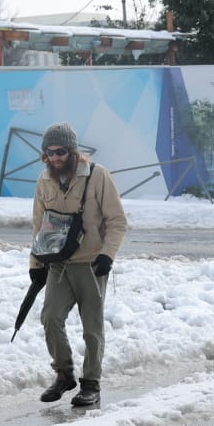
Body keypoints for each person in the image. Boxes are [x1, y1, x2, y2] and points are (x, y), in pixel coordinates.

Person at [31, 122, 127, 407]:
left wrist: (107, 256)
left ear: (73, 151)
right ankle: (63, 375)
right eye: (49, 152)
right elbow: (39, 225)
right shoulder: (44, 180)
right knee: (50, 317)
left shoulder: (98, 176)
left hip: (90, 264)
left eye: (61, 151)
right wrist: (35, 263)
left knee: (92, 327)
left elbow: (117, 221)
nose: (55, 157)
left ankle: (91, 384)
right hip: (59, 264)